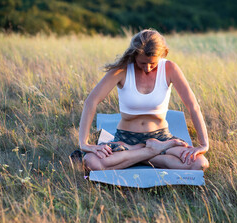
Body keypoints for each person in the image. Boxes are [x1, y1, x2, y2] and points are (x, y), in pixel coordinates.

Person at [77, 29, 209, 171]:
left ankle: (134, 158)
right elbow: (91, 101)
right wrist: (83, 143)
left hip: (161, 138)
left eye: (152, 64)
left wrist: (203, 144)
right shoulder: (122, 70)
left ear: (162, 54)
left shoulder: (169, 68)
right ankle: (150, 152)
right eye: (142, 63)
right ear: (134, 55)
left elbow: (192, 106)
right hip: (127, 140)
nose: (147, 68)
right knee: (91, 162)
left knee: (199, 163)